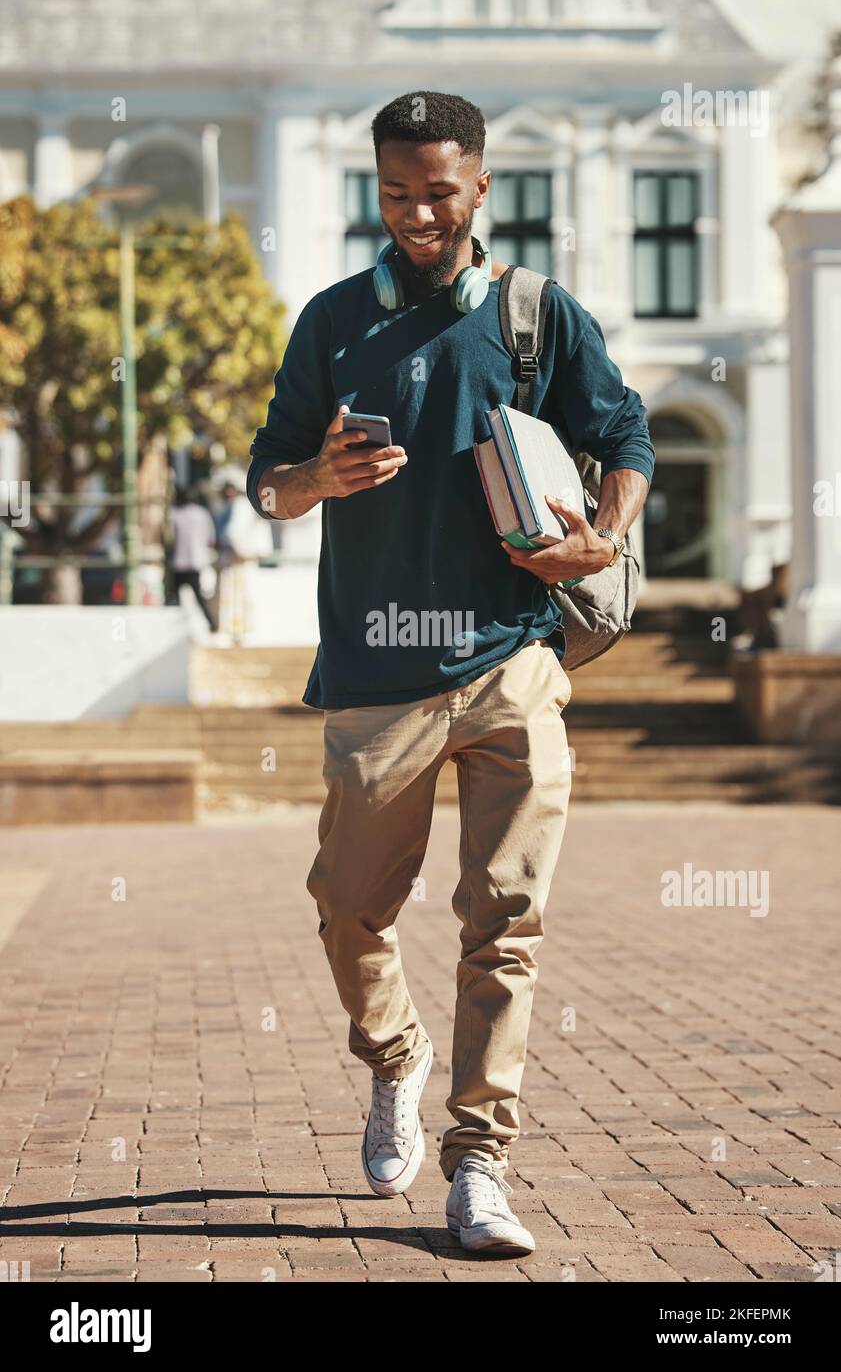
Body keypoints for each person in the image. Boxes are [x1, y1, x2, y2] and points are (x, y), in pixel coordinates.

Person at [246, 91, 655, 1258]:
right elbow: (264, 482)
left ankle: (479, 1163)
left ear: (482, 188)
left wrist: (606, 535)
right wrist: (310, 478)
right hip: (376, 675)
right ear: (375, 191)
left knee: (505, 921)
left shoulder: (534, 316)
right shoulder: (331, 322)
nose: (418, 213)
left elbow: (623, 436)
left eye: (439, 190)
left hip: (511, 662)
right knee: (345, 910)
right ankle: (394, 1058)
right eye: (395, 193)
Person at [213, 473, 274, 641]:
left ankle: (236, 630)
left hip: (237, 557)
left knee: (235, 594)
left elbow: (233, 533)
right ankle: (238, 630)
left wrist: (240, 550)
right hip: (240, 556)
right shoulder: (241, 506)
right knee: (238, 593)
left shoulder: (240, 506)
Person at [166, 484, 217, 631]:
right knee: (199, 598)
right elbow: (211, 539)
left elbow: (170, 538)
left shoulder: (174, 514)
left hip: (179, 562)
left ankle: (174, 628)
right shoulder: (202, 514)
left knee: (172, 597)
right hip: (196, 561)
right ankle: (212, 624)